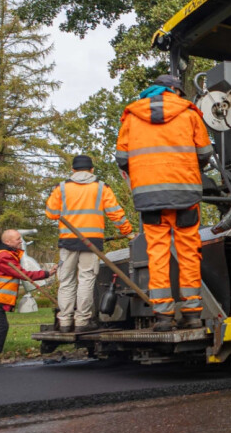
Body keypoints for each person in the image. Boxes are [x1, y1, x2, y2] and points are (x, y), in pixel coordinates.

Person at [115, 75, 213, 332]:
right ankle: (192, 313)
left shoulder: (131, 117)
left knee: (156, 254)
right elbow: (204, 153)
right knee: (188, 251)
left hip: (150, 198)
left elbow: (122, 158)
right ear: (176, 91)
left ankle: (163, 317)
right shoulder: (189, 114)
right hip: (185, 195)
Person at [45, 154, 134, 333]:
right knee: (86, 280)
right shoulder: (101, 188)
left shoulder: (61, 188)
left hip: (67, 241)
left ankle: (64, 322)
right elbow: (115, 213)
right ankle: (82, 321)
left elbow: (51, 213)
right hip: (91, 242)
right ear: (92, 170)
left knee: (66, 281)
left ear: (73, 170)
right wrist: (127, 231)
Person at [0, 230, 50, 370]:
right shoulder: (3, 257)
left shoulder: (3, 253)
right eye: (17, 239)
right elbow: (23, 274)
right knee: (1, 328)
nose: (21, 241)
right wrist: (47, 273)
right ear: (7, 242)